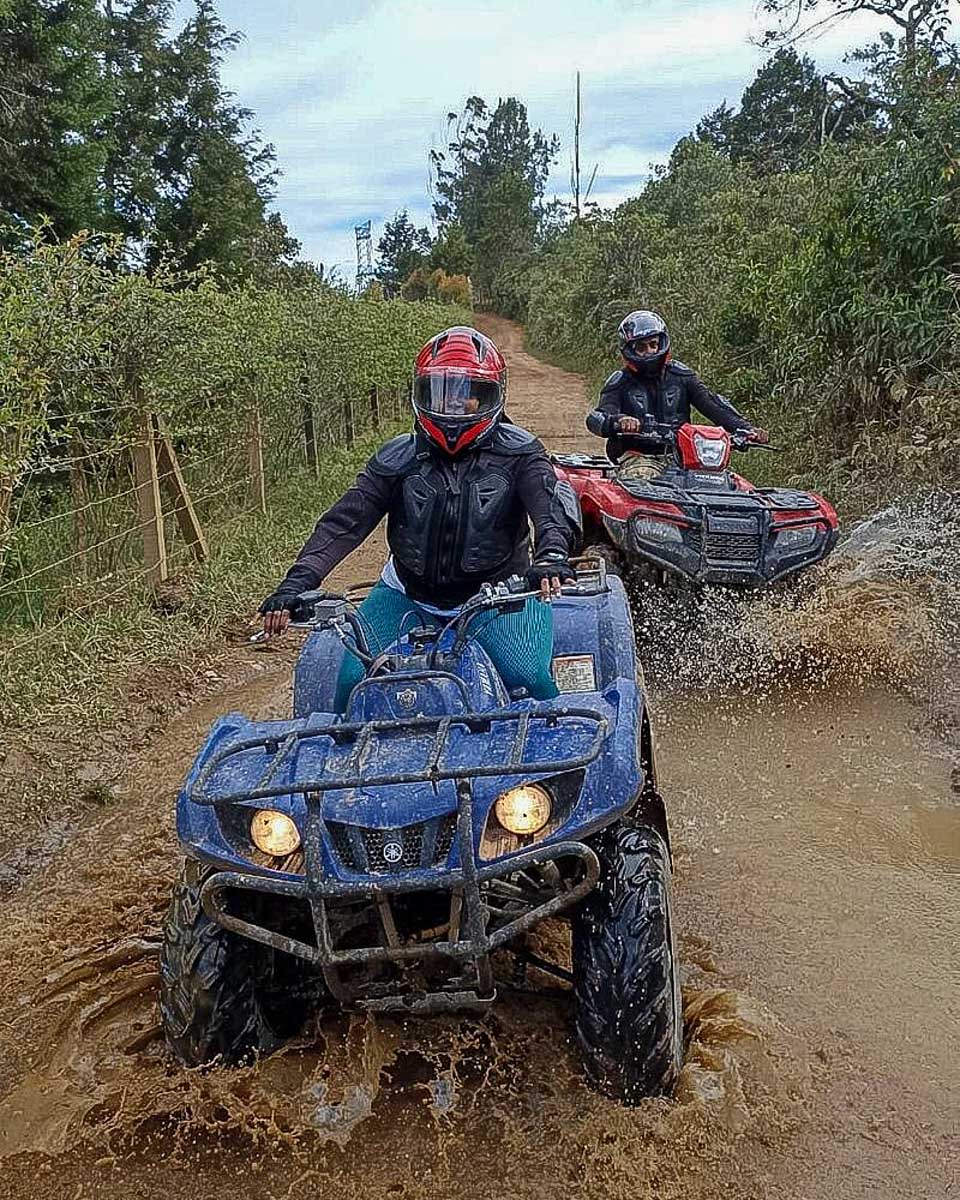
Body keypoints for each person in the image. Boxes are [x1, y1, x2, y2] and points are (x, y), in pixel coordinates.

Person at [259, 326, 576, 711]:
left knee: (527, 676)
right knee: (351, 683)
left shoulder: (521, 454)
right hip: (407, 593)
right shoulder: (396, 459)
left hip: (500, 596)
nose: (452, 407)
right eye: (440, 392)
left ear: (491, 396)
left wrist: (551, 558)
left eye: (467, 396)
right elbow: (343, 523)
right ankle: (344, 764)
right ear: (421, 393)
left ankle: (570, 771)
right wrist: (295, 584)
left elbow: (550, 512)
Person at [586, 310, 768, 466]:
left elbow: (713, 406)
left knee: (727, 484)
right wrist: (620, 421)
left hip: (683, 457)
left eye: (653, 344)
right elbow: (599, 417)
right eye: (641, 347)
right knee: (640, 475)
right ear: (629, 350)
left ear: (662, 344)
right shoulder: (620, 382)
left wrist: (746, 430)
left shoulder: (682, 376)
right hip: (637, 457)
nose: (649, 351)